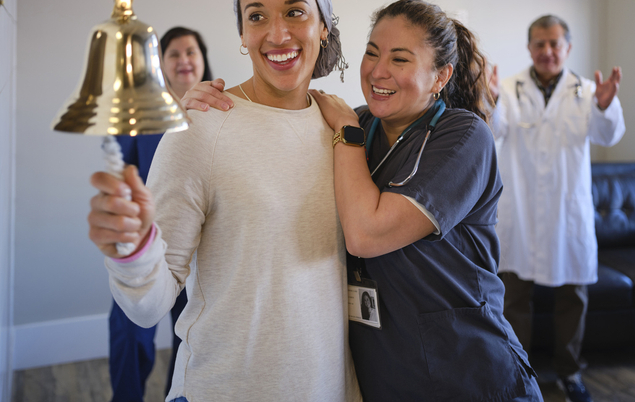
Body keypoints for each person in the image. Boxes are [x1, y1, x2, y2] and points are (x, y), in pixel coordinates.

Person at [185, 1, 543, 400]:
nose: (378, 71)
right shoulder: (355, 126)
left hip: (467, 369)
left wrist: (347, 132)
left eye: (400, 59)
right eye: (372, 52)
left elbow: (365, 235)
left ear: (440, 76)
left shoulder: (461, 137)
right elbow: (273, 125)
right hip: (386, 374)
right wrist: (201, 105)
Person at [87, 1, 361, 401]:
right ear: (242, 35)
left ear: (324, 26)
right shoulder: (200, 128)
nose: (277, 33)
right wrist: (130, 248)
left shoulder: (345, 129)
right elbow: (148, 307)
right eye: (256, 15)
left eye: (295, 11)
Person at [488, 15, 625, 402]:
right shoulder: (509, 88)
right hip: (522, 212)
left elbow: (608, 135)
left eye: (555, 44)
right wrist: (491, 98)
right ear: (529, 48)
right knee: (514, 299)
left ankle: (569, 374)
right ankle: (519, 372)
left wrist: (605, 105)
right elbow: (494, 131)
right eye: (539, 44)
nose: (547, 52)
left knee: (573, 299)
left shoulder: (586, 90)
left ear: (567, 47)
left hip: (568, 213)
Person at [109, 26, 221, 402]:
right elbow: (120, 173)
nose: (184, 60)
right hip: (146, 247)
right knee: (129, 334)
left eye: (191, 51)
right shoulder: (138, 115)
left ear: (203, 58)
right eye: (174, 54)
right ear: (161, 64)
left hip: (199, 251)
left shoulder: (220, 113)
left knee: (185, 335)